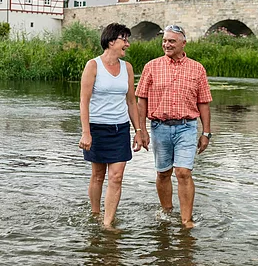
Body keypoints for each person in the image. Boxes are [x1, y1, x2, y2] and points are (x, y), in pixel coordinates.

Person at [135, 25, 212, 229]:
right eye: (165, 41)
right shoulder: (151, 66)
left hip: (187, 126)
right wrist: (140, 130)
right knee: (163, 173)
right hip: (159, 127)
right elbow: (141, 100)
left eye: (171, 41)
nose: (166, 44)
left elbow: (203, 102)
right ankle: (167, 211)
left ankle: (186, 220)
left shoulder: (197, 68)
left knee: (183, 172)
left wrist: (206, 133)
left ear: (183, 44)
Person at [78, 23, 148, 228]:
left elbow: (131, 102)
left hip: (120, 129)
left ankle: (107, 223)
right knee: (98, 175)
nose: (127, 44)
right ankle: (95, 213)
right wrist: (86, 133)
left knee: (116, 177)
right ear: (111, 42)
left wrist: (139, 131)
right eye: (124, 39)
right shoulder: (93, 66)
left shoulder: (127, 68)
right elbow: (84, 101)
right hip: (97, 128)